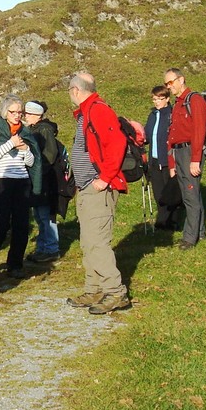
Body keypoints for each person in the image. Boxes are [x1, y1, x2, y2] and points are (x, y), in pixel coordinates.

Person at [66, 72, 131, 314]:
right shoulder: (85, 112)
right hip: (86, 187)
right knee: (88, 242)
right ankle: (94, 289)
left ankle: (115, 292)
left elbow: (117, 143)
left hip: (98, 187)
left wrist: (104, 178)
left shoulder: (98, 110)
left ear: (75, 90)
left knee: (97, 243)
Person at [0, 94, 39, 278]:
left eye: (20, 112)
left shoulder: (25, 133)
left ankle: (15, 265)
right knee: (1, 223)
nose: (17, 115)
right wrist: (10, 144)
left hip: (21, 181)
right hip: (0, 180)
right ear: (5, 112)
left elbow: (30, 162)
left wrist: (26, 150)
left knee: (21, 224)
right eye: (14, 112)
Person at [165, 68, 206, 250]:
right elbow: (173, 134)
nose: (169, 87)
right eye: (166, 84)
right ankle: (200, 232)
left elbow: (199, 131)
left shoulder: (195, 100)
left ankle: (190, 238)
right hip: (179, 152)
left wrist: (195, 159)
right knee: (190, 193)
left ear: (181, 79)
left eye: (171, 82)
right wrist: (173, 163)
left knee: (190, 195)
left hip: (190, 152)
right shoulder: (178, 103)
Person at [22, 100, 61, 262]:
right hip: (38, 179)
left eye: (27, 114)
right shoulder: (35, 129)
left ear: (36, 115)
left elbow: (50, 155)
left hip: (45, 179)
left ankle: (51, 248)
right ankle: (42, 248)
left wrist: (38, 168)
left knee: (45, 215)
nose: (25, 117)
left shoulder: (44, 130)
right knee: (39, 215)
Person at [143, 84, 182, 232]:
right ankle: (162, 220)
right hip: (154, 161)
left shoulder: (171, 114)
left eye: (160, 99)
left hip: (168, 161)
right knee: (158, 193)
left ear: (167, 99)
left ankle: (172, 221)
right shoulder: (152, 115)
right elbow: (147, 135)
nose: (157, 102)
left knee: (171, 193)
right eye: (154, 99)